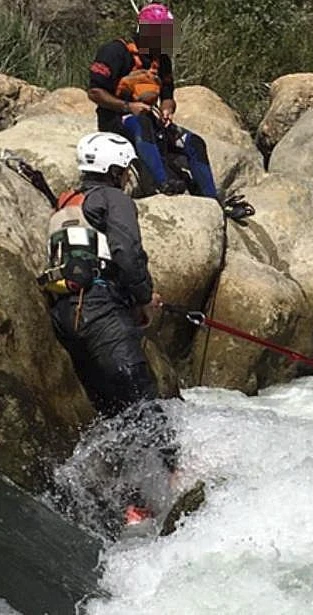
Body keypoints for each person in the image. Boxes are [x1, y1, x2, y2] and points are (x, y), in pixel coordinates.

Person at [41, 132, 176, 531]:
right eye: (126, 169)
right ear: (115, 169)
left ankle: (127, 505)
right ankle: (168, 484)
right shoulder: (113, 199)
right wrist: (143, 297)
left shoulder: (65, 204)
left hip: (66, 315)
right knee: (142, 399)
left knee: (114, 412)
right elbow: (128, 254)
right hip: (101, 309)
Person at [86, 3, 252, 219]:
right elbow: (95, 92)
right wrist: (128, 107)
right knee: (141, 123)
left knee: (193, 142)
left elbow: (167, 96)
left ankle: (212, 200)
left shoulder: (161, 60)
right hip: (117, 119)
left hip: (148, 118)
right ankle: (162, 182)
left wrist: (167, 110)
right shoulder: (115, 52)